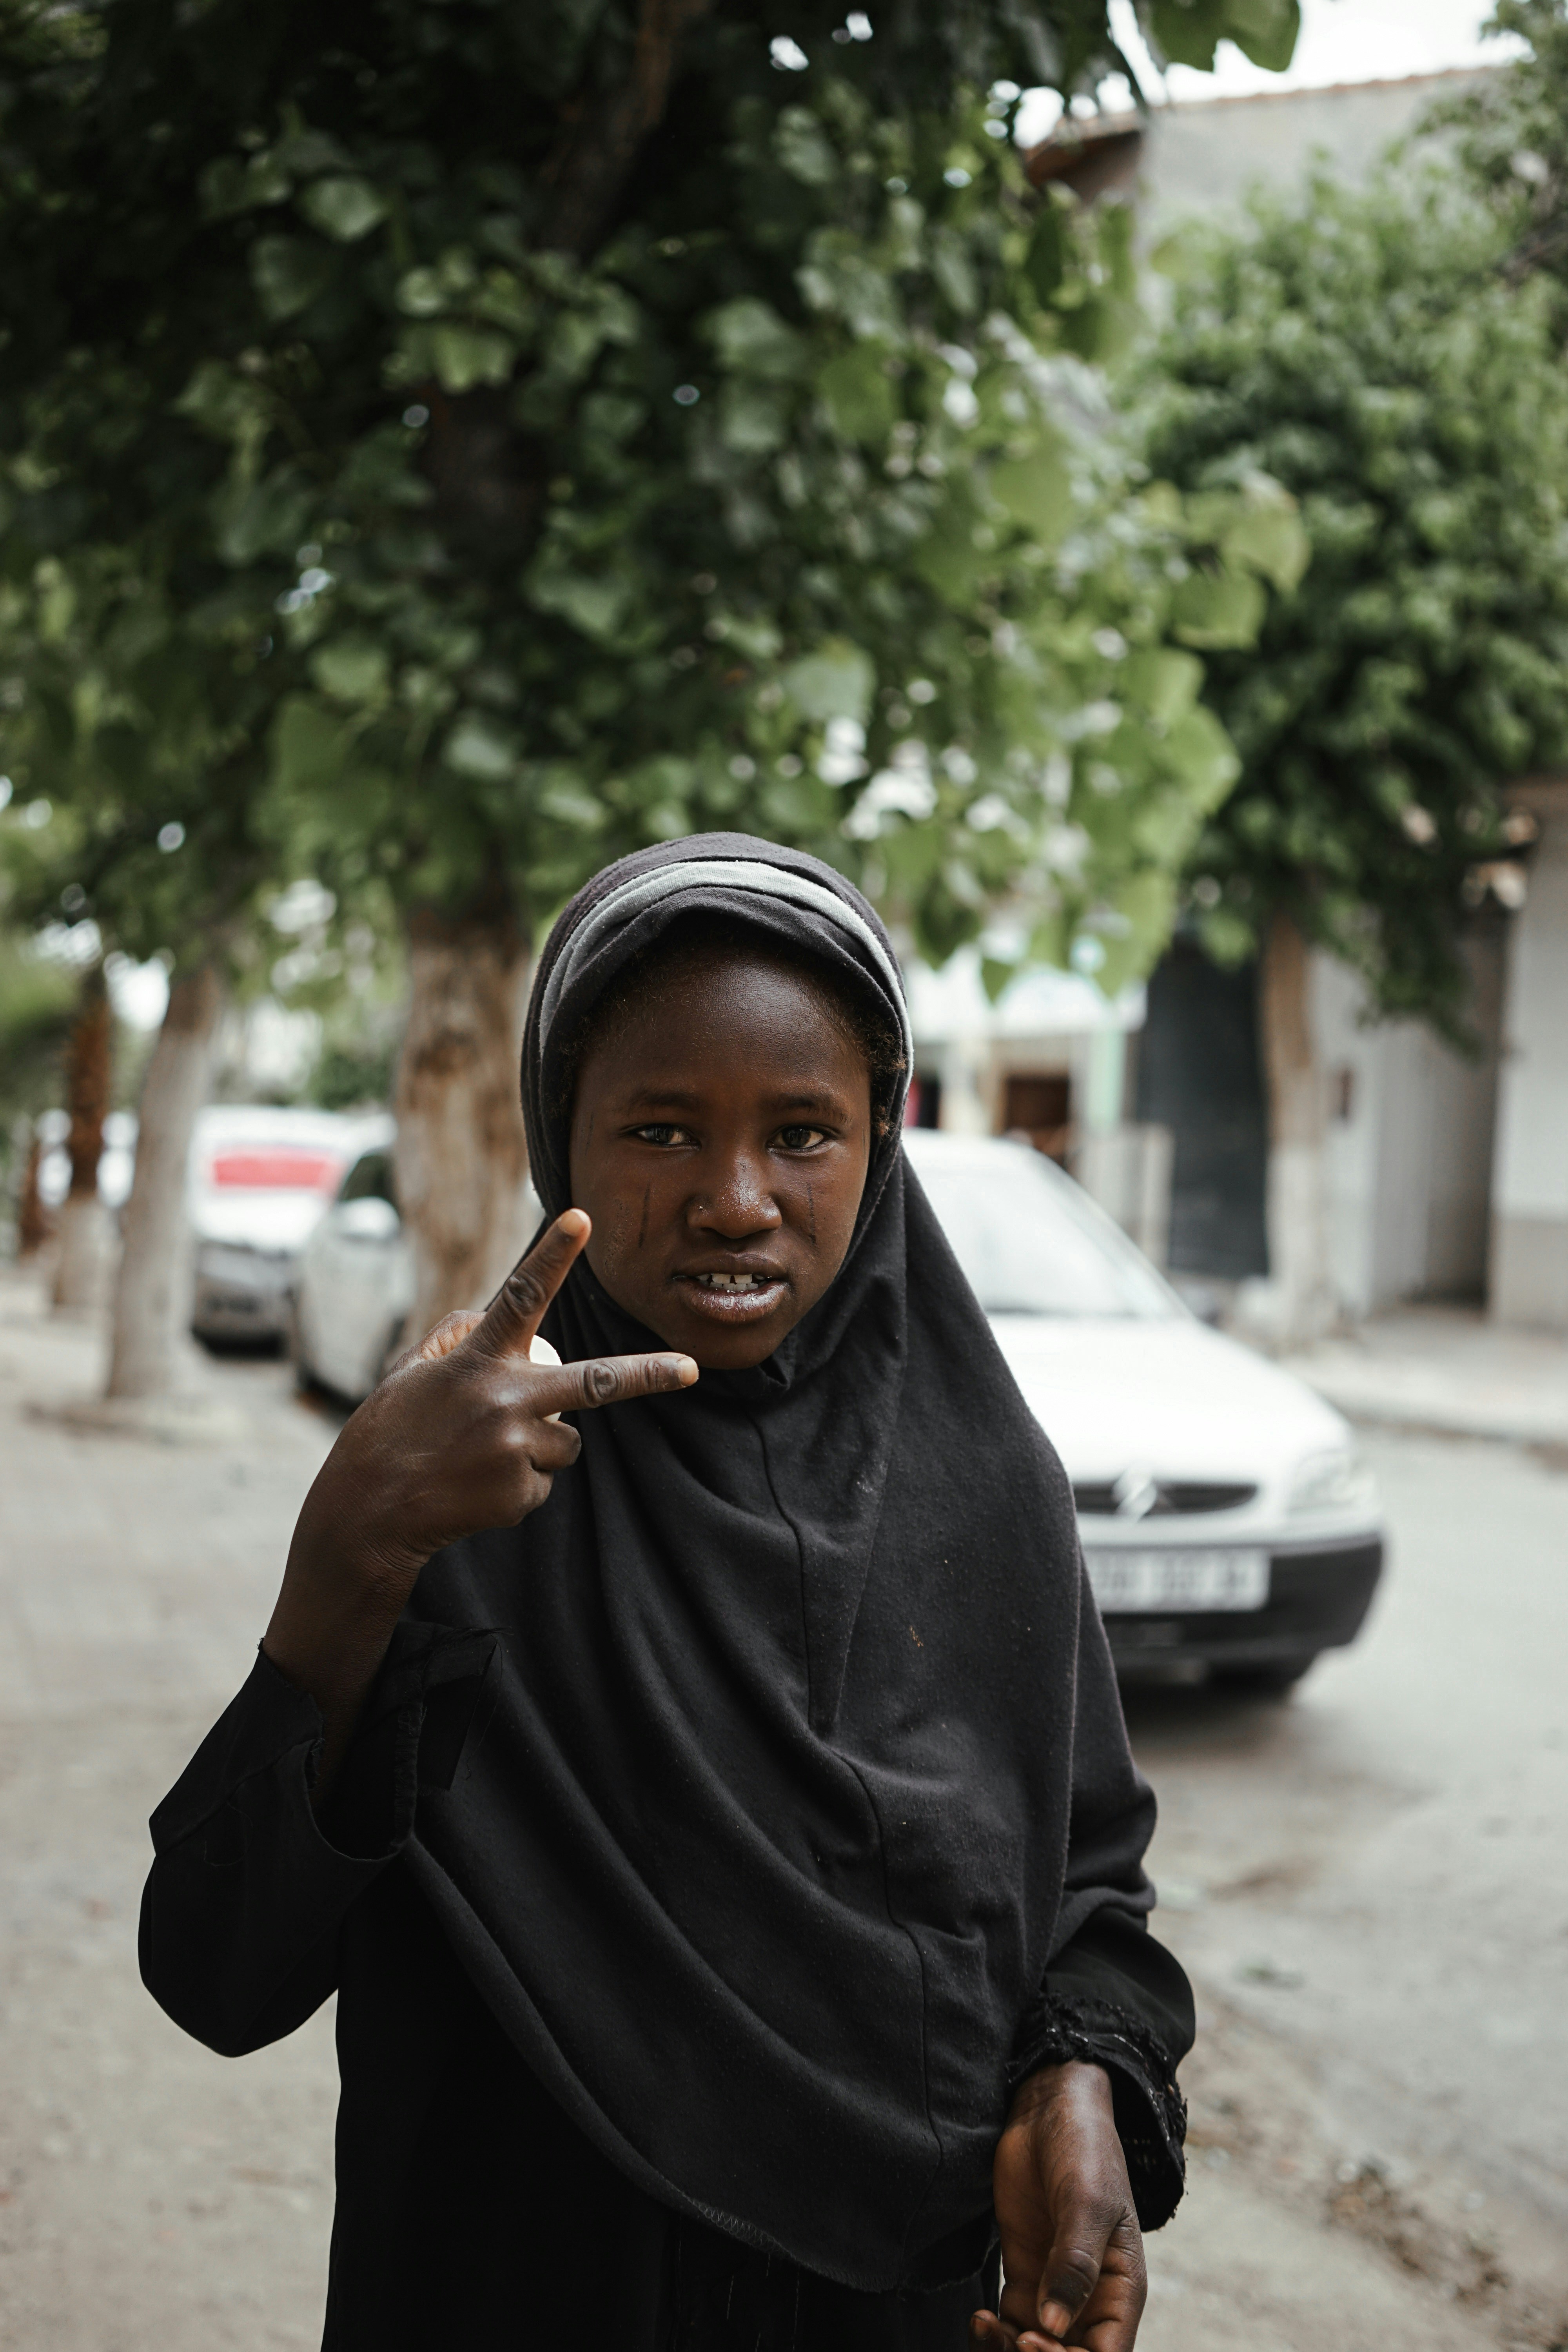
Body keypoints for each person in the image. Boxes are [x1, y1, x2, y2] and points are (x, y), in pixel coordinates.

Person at [140, 836, 1193, 2351]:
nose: (736, 1198)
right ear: (560, 1139)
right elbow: (216, 1971)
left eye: (804, 1134)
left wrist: (1082, 2083)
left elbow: (1093, 1898)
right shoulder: (465, 1492)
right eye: (660, 1130)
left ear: (881, 1143)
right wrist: (349, 1558)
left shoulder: (990, 1489)